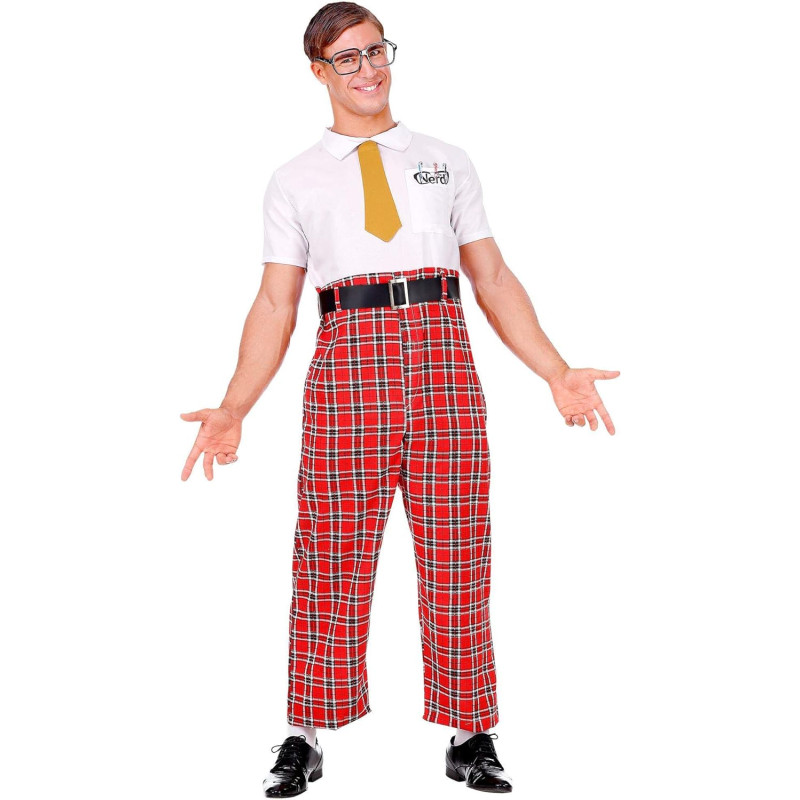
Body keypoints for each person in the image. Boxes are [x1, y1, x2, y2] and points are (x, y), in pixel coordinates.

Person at [180, 2, 619, 795]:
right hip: (349, 362)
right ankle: (305, 733)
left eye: (375, 50)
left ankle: (469, 732)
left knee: (458, 547)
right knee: (331, 551)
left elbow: (491, 276)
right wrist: (235, 405)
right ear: (319, 71)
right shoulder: (294, 179)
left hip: (443, 359)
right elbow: (276, 302)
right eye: (346, 58)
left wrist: (555, 371)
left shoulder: (446, 160)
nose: (368, 69)